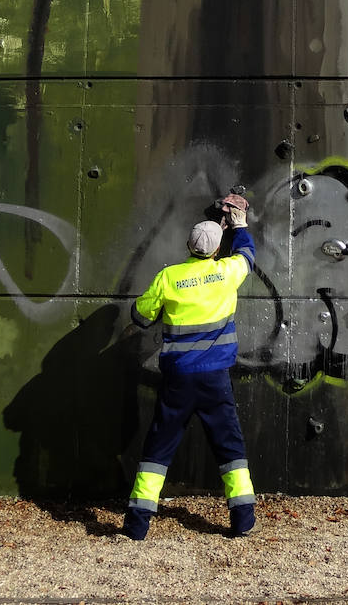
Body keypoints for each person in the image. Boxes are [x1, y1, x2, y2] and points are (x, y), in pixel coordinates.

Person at [122, 193, 256, 541]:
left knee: (158, 450)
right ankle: (242, 521)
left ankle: (137, 526)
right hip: (215, 380)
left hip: (178, 380)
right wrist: (239, 226)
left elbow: (141, 315)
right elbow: (247, 257)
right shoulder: (225, 273)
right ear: (215, 251)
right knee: (230, 447)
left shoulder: (168, 277)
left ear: (187, 245)